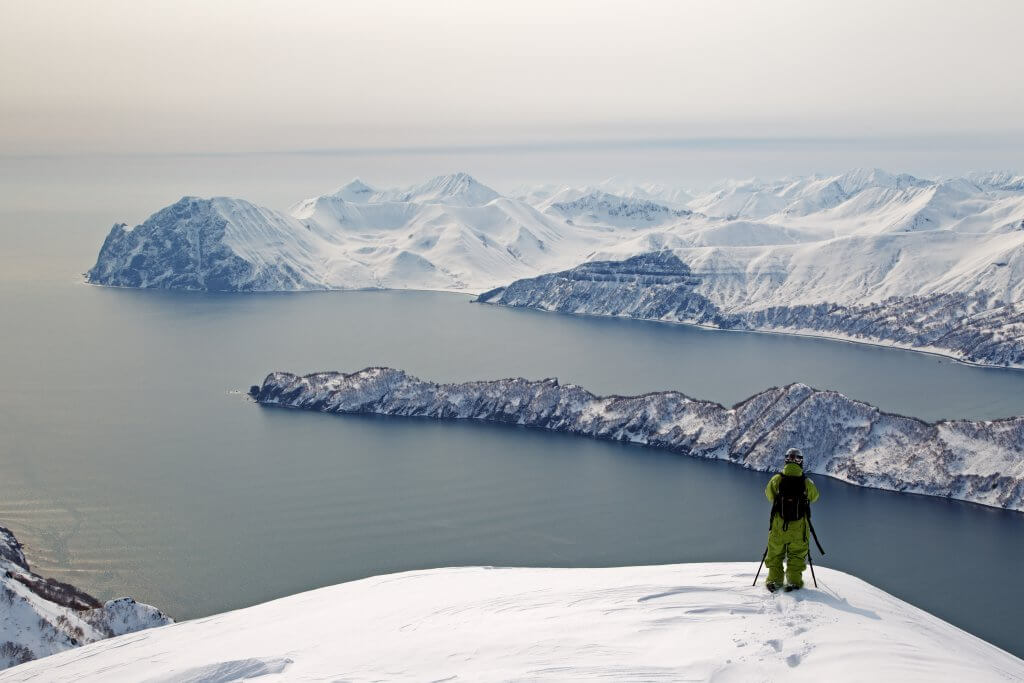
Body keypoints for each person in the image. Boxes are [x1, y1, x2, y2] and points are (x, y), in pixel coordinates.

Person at [763, 447, 819, 592]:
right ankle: (794, 582)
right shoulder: (807, 482)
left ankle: (775, 581)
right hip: (799, 529)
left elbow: (769, 495)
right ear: (801, 462)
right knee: (796, 556)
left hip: (779, 528)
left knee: (775, 554)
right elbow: (815, 497)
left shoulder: (777, 480)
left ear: (786, 460)